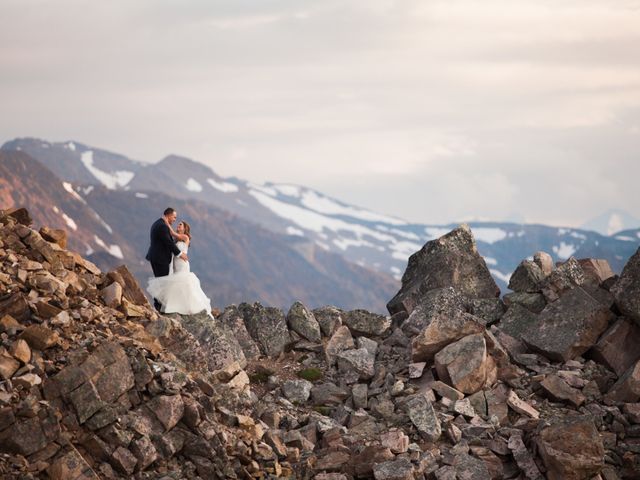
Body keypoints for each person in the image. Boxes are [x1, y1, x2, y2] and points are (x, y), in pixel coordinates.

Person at [147, 220, 213, 316]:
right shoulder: (176, 241)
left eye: (180, 225)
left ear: (185, 228)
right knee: (176, 285)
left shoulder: (185, 237)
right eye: (178, 224)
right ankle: (176, 306)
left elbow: (172, 233)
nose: (178, 225)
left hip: (182, 264)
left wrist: (166, 222)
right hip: (175, 265)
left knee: (183, 283)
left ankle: (189, 307)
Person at [145, 207, 187, 311]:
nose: (175, 220)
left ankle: (158, 306)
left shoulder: (159, 224)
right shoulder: (162, 226)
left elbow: (170, 237)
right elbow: (168, 243)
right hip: (160, 259)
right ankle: (157, 307)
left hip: (158, 258)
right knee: (162, 283)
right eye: (174, 217)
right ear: (168, 215)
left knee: (161, 282)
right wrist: (180, 254)